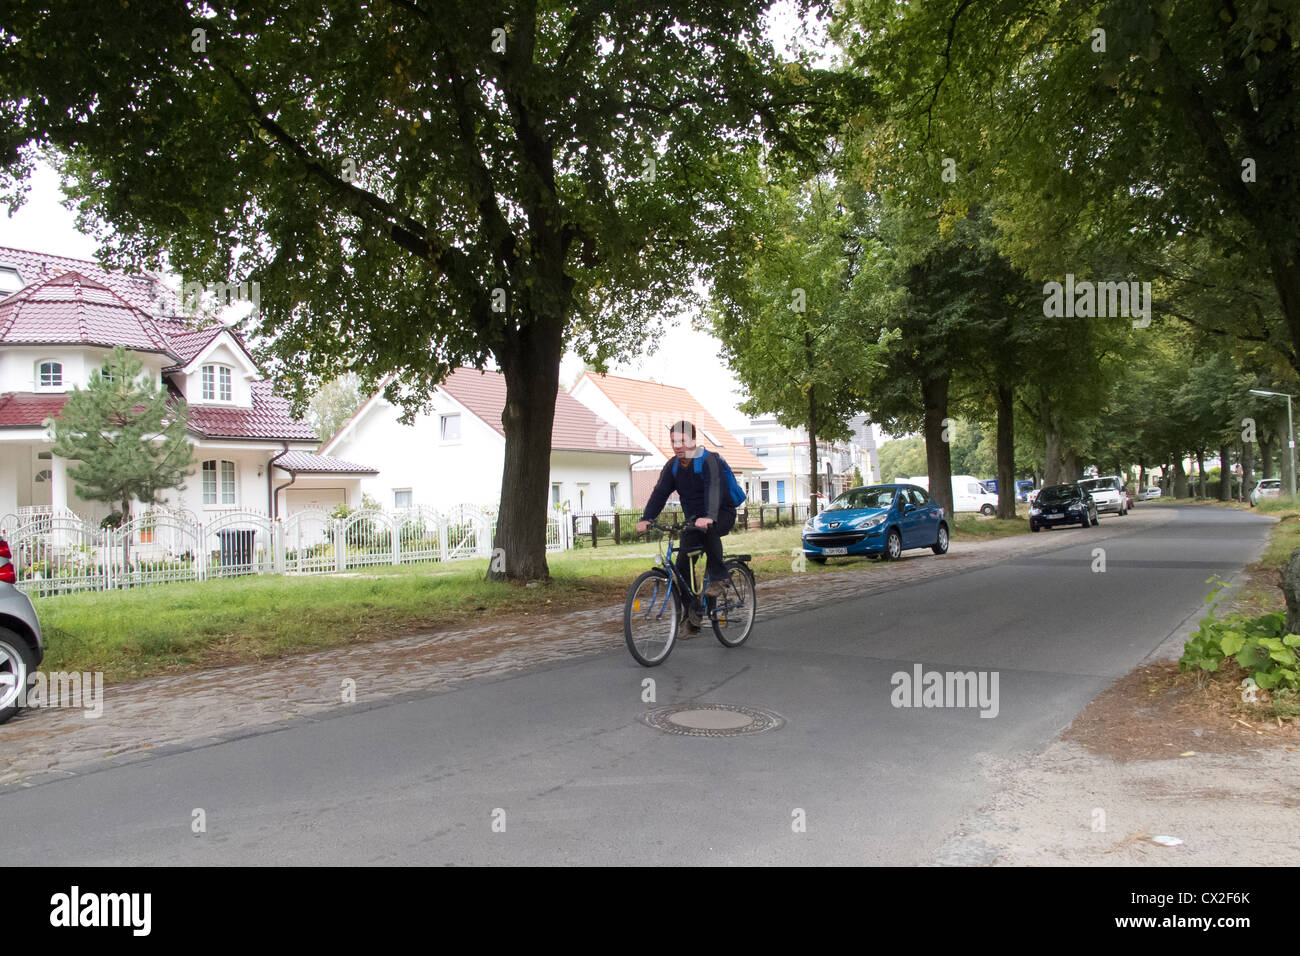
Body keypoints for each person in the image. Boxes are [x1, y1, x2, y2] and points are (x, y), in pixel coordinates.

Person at [636, 421, 741, 623]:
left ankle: (719, 577)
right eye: (673, 441)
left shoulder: (708, 460)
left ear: (693, 440)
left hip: (721, 512)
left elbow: (714, 488)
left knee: (708, 530)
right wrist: (647, 518)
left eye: (682, 441)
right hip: (694, 521)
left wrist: (710, 515)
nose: (677, 445)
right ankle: (692, 612)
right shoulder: (673, 466)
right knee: (682, 563)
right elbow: (659, 494)